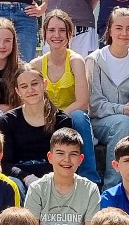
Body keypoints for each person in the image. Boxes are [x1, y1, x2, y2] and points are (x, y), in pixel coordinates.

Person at [86, 7, 129, 189]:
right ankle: (112, 187)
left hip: (128, 118)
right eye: (119, 28)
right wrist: (121, 109)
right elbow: (94, 104)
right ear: (109, 30)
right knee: (123, 123)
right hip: (100, 122)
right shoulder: (95, 60)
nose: (124, 33)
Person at [32, 10, 101, 184]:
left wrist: (57, 116)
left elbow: (82, 102)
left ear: (70, 34)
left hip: (71, 118)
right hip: (45, 118)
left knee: (80, 116)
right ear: (44, 34)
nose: (57, 35)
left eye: (62, 30)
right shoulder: (36, 65)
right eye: (52, 30)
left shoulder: (76, 61)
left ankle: (90, 179)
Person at [24, 128, 101, 225]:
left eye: (73, 154)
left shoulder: (90, 189)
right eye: (60, 153)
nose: (67, 159)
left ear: (80, 159)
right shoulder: (37, 188)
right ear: (50, 157)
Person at [0, 66, 71, 187]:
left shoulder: (62, 121)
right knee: (13, 184)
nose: (30, 90)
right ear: (17, 91)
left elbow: (65, 159)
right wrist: (27, 178)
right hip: (20, 179)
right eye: (24, 86)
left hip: (52, 178)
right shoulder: (7, 121)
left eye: (34, 84)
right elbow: (5, 163)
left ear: (44, 84)